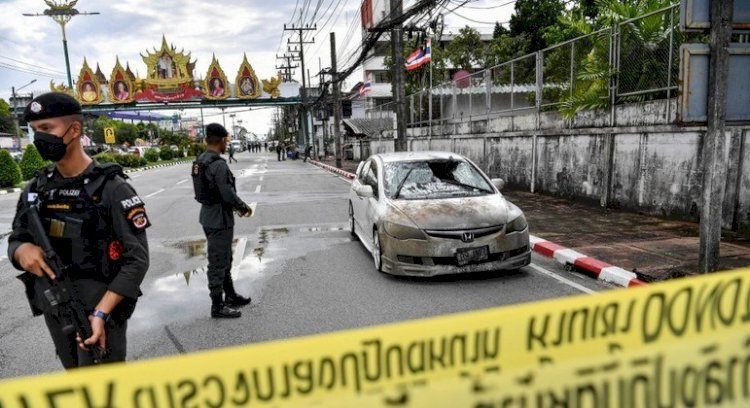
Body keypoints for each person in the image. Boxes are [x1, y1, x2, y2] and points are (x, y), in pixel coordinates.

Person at [8, 92, 150, 369]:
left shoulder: (111, 188)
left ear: (75, 130)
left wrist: (101, 312)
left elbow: (137, 259)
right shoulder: (37, 189)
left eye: (47, 129)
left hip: (100, 313)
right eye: (35, 130)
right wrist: (21, 250)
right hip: (58, 307)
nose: (39, 138)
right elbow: (16, 238)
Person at [193, 123, 252, 318]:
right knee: (218, 261)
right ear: (221, 141)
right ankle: (217, 305)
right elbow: (227, 194)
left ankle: (231, 295)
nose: (227, 144)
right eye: (226, 140)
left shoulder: (200, 161)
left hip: (207, 216)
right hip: (220, 219)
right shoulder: (217, 164)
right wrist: (243, 207)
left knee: (224, 257)